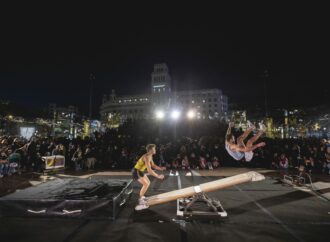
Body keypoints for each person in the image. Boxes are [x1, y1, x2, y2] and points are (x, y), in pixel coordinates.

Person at [132, 144, 165, 210]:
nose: (155, 150)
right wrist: (158, 176)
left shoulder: (150, 156)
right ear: (150, 150)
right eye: (154, 149)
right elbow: (149, 171)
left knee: (148, 183)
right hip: (136, 172)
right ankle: (140, 202)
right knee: (146, 184)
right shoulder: (146, 157)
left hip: (140, 171)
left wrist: (160, 168)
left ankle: (141, 197)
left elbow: (153, 165)